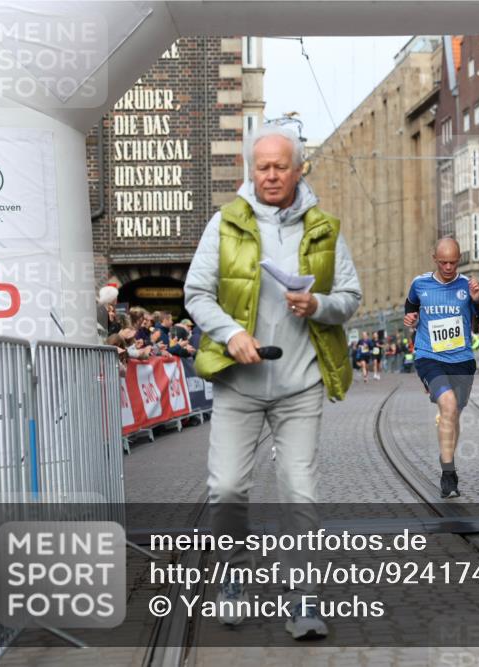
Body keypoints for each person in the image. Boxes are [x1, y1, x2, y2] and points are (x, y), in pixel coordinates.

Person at [184, 124, 361, 637]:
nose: (271, 175)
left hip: (299, 382)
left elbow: (351, 296)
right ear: (250, 170)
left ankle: (304, 596)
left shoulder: (324, 226)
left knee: (299, 489)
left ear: (299, 168)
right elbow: (197, 294)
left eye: (281, 165)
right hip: (239, 382)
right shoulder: (224, 224)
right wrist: (230, 331)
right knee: (227, 488)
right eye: (262, 166)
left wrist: (319, 304)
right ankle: (233, 579)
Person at [403, 237, 479, 499]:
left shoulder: (469, 286)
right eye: (443, 262)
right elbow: (410, 309)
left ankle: (447, 457)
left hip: (462, 360)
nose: (448, 267)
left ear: (459, 260)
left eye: (453, 263)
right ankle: (448, 473)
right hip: (429, 356)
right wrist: (410, 318)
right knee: (448, 404)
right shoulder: (419, 283)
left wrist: (477, 301)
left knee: (453, 414)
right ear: (434, 259)